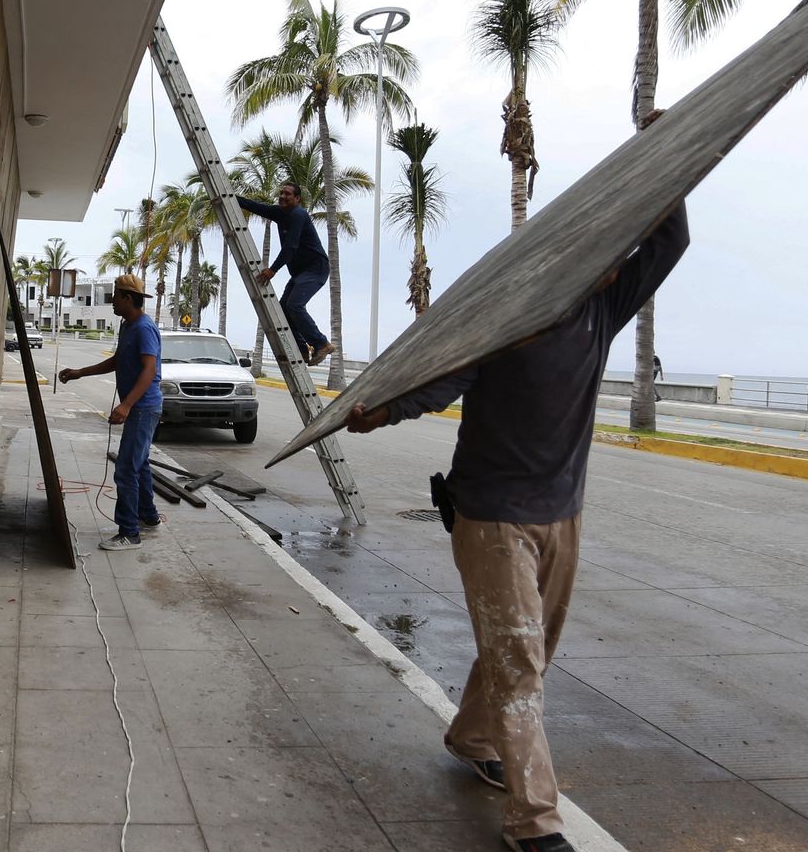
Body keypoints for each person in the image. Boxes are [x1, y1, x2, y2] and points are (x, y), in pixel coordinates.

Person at [346, 201, 690, 852]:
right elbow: (435, 382)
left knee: (528, 650)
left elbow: (671, 241)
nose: (615, 268)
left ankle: (471, 737)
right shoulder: (504, 324)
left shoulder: (598, 314)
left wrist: (668, 159)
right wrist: (377, 412)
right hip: (491, 517)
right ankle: (535, 822)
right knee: (520, 662)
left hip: (563, 513)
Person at [58, 274, 163, 550]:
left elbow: (149, 370)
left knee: (126, 469)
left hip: (143, 408)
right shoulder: (127, 327)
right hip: (139, 407)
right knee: (138, 463)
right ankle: (148, 517)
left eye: (115, 296)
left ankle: (129, 532)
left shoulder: (143, 328)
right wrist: (81, 372)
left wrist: (126, 404)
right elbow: (118, 361)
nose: (112, 301)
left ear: (128, 298)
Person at [237, 181, 332, 366]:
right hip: (300, 272)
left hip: (316, 268)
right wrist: (231, 198)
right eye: (281, 193)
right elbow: (255, 206)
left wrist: (272, 269)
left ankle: (321, 343)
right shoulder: (280, 213)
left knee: (295, 305)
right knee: (284, 308)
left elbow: (291, 247)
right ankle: (301, 350)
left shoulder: (298, 214)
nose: (282, 196)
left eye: (288, 194)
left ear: (297, 199)